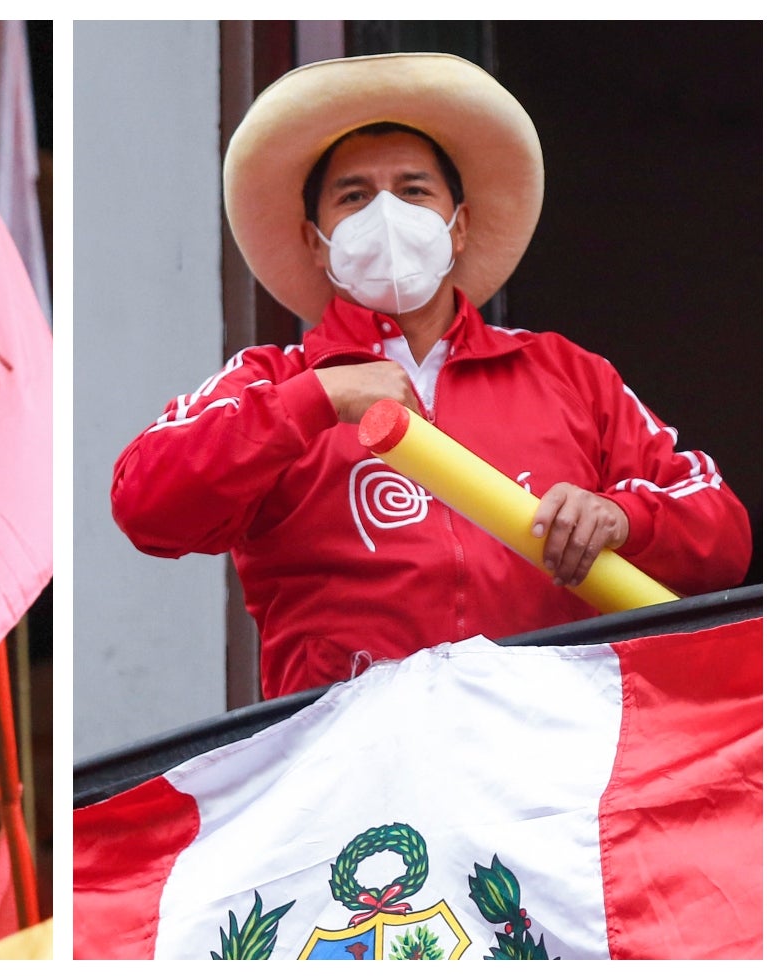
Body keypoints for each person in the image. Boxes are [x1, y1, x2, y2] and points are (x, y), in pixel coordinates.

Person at [111, 52, 750, 700]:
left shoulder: (566, 372)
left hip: (558, 762)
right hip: (347, 772)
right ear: (315, 240)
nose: (386, 214)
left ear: (459, 225)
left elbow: (723, 533)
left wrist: (622, 518)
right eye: (354, 196)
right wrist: (317, 398)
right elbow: (144, 503)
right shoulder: (272, 380)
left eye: (414, 191)